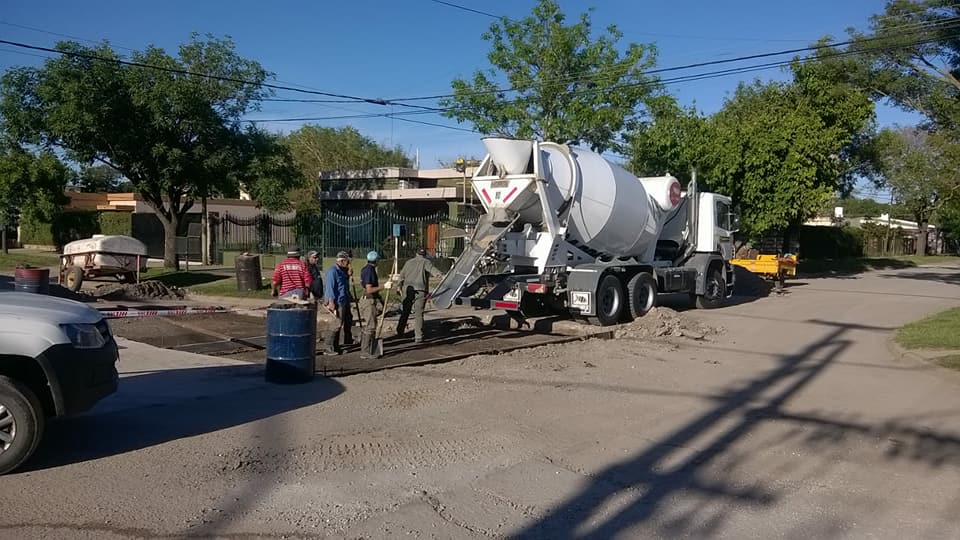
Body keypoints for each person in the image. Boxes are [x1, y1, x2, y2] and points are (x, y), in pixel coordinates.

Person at [396, 247, 443, 344]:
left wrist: (398, 286)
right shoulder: (426, 262)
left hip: (408, 290)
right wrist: (442, 275)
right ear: (424, 254)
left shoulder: (408, 262)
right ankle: (418, 336)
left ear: (416, 253)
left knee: (405, 311)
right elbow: (434, 271)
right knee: (419, 314)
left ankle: (400, 331)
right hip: (420, 290)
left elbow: (401, 276)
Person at [358, 250, 387, 358]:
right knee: (370, 326)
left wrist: (380, 298)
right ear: (376, 260)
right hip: (368, 301)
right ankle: (364, 351)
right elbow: (369, 289)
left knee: (372, 325)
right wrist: (384, 286)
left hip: (371, 299)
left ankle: (370, 348)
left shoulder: (368, 269)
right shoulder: (369, 271)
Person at [323, 251, 353, 355]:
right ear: (342, 261)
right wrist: (331, 301)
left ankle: (336, 346)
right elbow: (330, 287)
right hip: (336, 302)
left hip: (343, 301)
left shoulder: (341, 271)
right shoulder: (332, 272)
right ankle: (328, 347)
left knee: (339, 325)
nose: (348, 264)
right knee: (335, 325)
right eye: (347, 261)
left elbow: (343, 286)